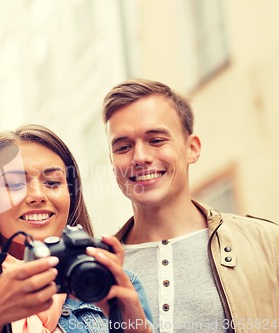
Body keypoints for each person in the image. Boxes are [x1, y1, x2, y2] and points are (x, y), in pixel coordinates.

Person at [0, 124, 153, 333]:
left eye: (53, 183)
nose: (37, 195)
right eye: (15, 184)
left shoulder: (114, 286)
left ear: (71, 196)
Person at [101, 78, 279, 333]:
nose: (140, 157)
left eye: (156, 140)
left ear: (192, 148)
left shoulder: (268, 246)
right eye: (124, 147)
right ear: (112, 160)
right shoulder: (96, 271)